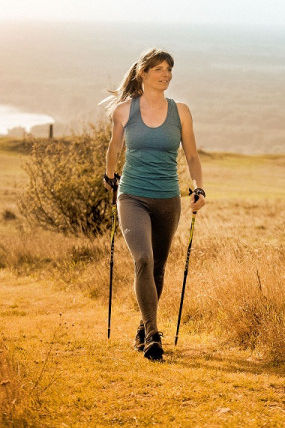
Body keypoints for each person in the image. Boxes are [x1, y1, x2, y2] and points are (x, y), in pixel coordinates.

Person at [102, 48, 206, 361]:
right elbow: (113, 147)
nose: (166, 74)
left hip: (168, 199)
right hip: (132, 195)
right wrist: (110, 177)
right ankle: (152, 335)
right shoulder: (124, 111)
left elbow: (192, 155)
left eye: (169, 69)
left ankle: (142, 325)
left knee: (157, 268)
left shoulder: (181, 112)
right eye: (159, 69)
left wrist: (199, 188)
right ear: (143, 73)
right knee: (144, 260)